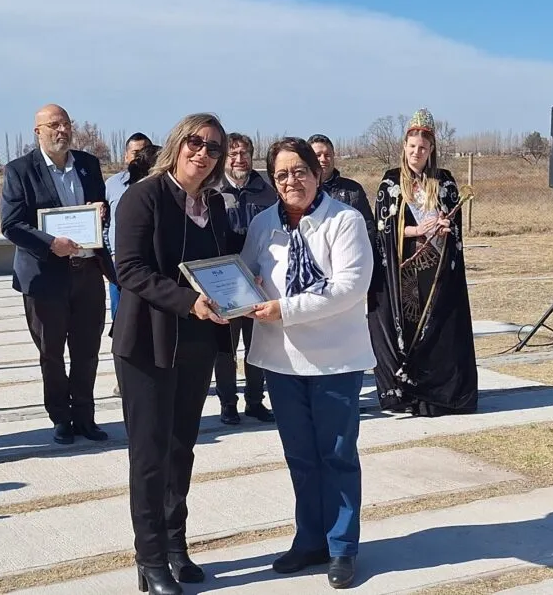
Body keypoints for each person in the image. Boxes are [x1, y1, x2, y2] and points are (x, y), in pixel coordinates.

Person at [241, 136, 374, 590]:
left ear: (317, 174)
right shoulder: (262, 225)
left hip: (335, 360)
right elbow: (244, 274)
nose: (291, 180)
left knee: (336, 455)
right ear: (272, 182)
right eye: (281, 174)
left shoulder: (345, 220)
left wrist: (286, 308)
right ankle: (309, 539)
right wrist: (246, 289)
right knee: (300, 457)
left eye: (300, 171)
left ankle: (342, 548)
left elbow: (350, 286)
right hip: (281, 361)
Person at [112, 113, 233, 595]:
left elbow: (222, 265)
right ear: (178, 143)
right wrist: (189, 301)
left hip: (198, 343)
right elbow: (130, 269)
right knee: (149, 454)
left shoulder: (216, 205)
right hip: (148, 342)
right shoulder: (144, 195)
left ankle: (175, 544)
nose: (203, 153)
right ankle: (150, 557)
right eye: (196, 143)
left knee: (182, 446)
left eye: (214, 148)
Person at [0, 103, 116, 445]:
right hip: (44, 277)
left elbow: (98, 213)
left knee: (87, 349)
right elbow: (11, 224)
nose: (61, 130)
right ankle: (60, 418)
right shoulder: (19, 170)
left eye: (65, 124)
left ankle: (85, 415)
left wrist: (100, 212)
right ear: (38, 132)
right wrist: (51, 243)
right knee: (51, 351)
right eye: (53, 125)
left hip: (87, 272)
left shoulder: (88, 164)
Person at [368, 108, 478, 417]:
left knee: (438, 329)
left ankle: (440, 395)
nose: (417, 152)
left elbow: (454, 228)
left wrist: (444, 227)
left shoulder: (443, 182)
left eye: (424, 148)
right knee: (413, 330)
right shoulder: (391, 183)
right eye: (413, 147)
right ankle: (408, 393)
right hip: (407, 271)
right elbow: (384, 228)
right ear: (404, 147)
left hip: (438, 268)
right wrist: (418, 229)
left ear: (431, 151)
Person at [214, 132, 277, 425]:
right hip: (225, 282)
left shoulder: (266, 191)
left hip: (259, 281)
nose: (239, 159)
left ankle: (255, 401)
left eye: (244, 154)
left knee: (256, 346)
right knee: (225, 348)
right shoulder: (213, 190)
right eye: (233, 154)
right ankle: (228, 404)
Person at [105, 132, 154, 320]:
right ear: (126, 156)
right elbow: (105, 223)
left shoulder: (160, 185)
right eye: (135, 152)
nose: (140, 156)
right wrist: (110, 254)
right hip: (119, 262)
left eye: (144, 151)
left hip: (148, 263)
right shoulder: (112, 184)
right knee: (121, 317)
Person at [308, 134, 375, 242]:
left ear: (333, 155)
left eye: (327, 154)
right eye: (318, 155)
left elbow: (368, 228)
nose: (323, 159)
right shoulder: (301, 192)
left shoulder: (353, 190)